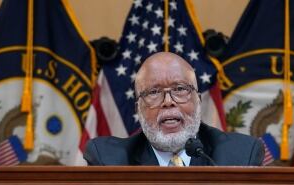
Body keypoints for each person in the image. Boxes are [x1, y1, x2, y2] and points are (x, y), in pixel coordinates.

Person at [83, 52, 264, 166]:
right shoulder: (111, 161)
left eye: (180, 89)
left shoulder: (239, 155)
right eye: (153, 92)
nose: (168, 102)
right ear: (138, 108)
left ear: (198, 101)